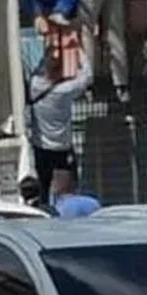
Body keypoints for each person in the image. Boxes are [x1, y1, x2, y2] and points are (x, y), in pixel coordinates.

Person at [27, 39, 93, 205]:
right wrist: (79, 50)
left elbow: (42, 67)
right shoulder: (64, 91)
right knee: (69, 186)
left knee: (43, 183)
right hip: (62, 147)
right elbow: (87, 76)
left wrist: (50, 51)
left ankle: (43, 207)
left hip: (40, 145)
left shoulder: (35, 85)